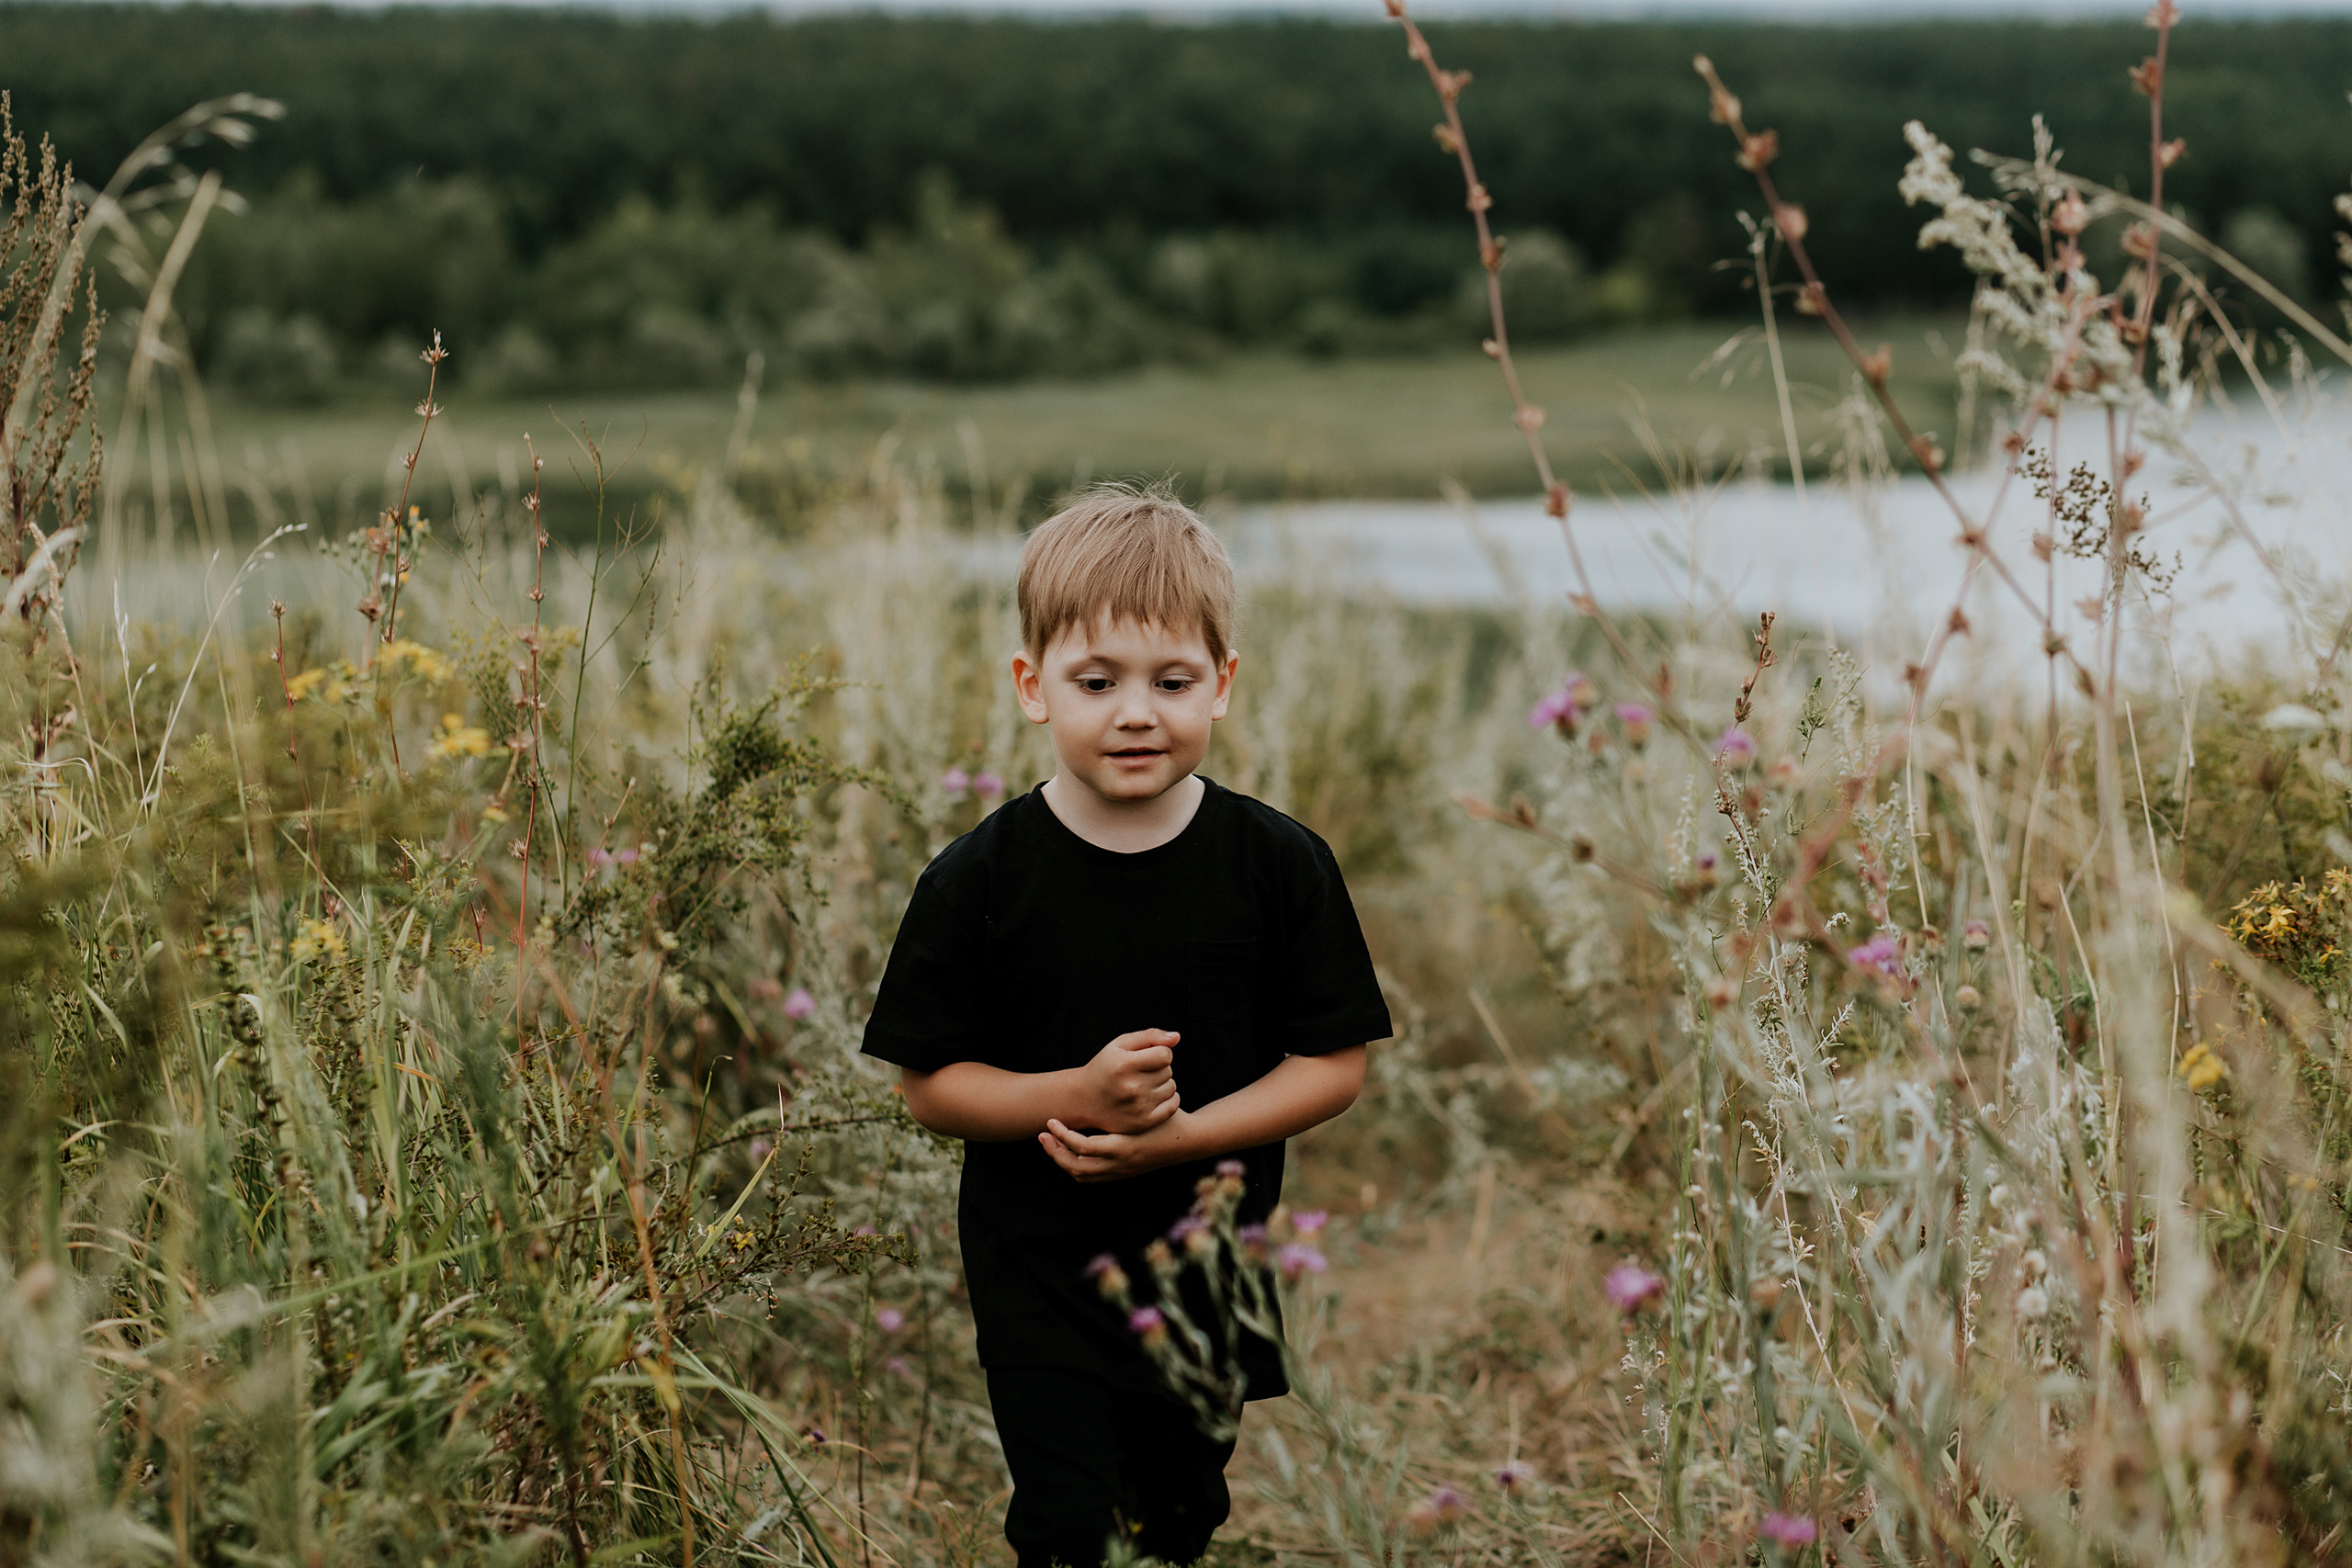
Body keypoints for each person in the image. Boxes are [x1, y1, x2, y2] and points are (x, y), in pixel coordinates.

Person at [861, 483, 1393, 1568]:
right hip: (1039, 1278)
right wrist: (1073, 1097)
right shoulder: (977, 882)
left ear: (1223, 685)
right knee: (1065, 1527)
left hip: (1204, 1275)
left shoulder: (1277, 866)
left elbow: (1332, 1064)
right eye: (1095, 681)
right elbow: (929, 1088)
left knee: (1178, 1519)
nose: (1135, 711)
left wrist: (1182, 1138)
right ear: (1031, 687)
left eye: (1172, 680)